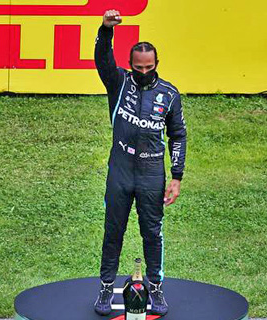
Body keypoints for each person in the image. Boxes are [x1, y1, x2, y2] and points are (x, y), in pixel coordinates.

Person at [92, 9, 187, 316]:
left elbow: (178, 135)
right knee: (113, 230)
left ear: (156, 64)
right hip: (120, 169)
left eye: (148, 67)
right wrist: (106, 30)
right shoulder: (118, 82)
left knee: (152, 233)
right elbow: (102, 58)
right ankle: (106, 288)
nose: (143, 72)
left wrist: (177, 176)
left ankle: (156, 289)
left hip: (151, 173)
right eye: (138, 67)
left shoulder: (169, 94)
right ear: (130, 65)